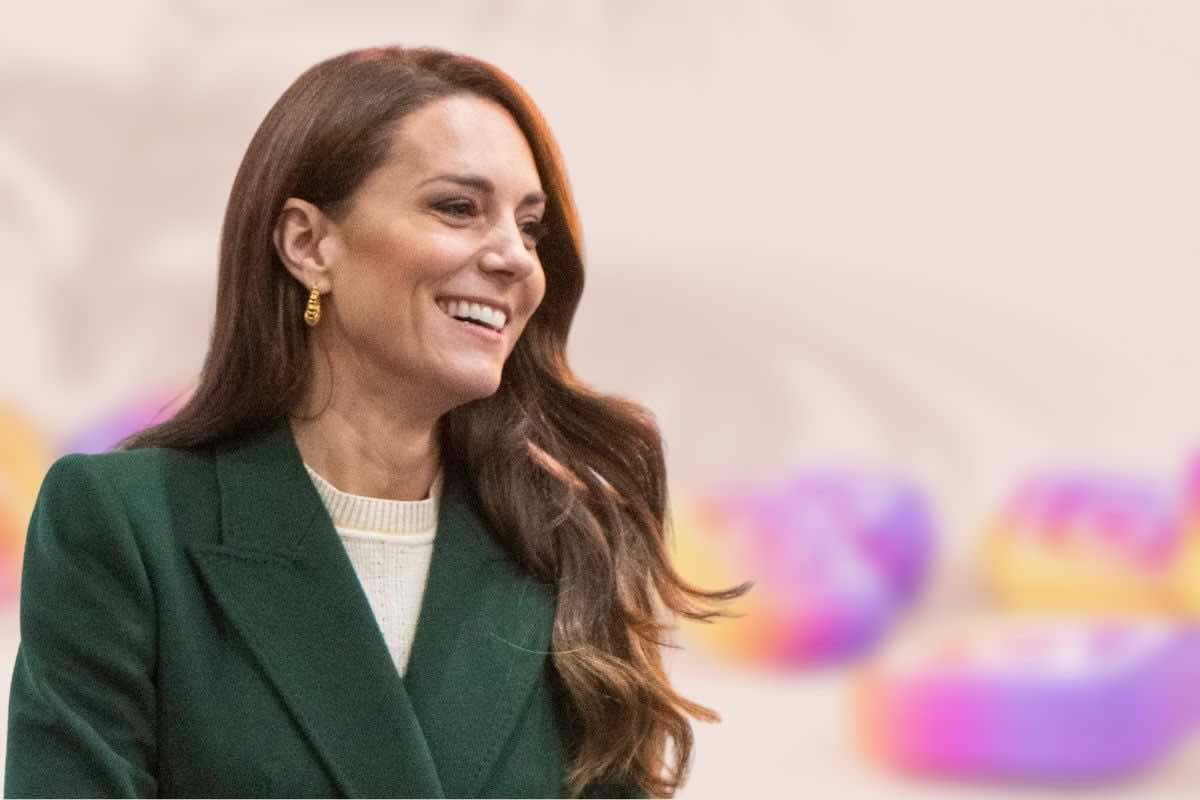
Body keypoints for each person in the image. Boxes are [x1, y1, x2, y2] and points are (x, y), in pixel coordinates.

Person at [5, 46, 745, 798]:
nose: (516, 259)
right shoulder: (128, 524)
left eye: (530, 228)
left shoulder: (565, 546)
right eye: (458, 208)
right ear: (308, 244)